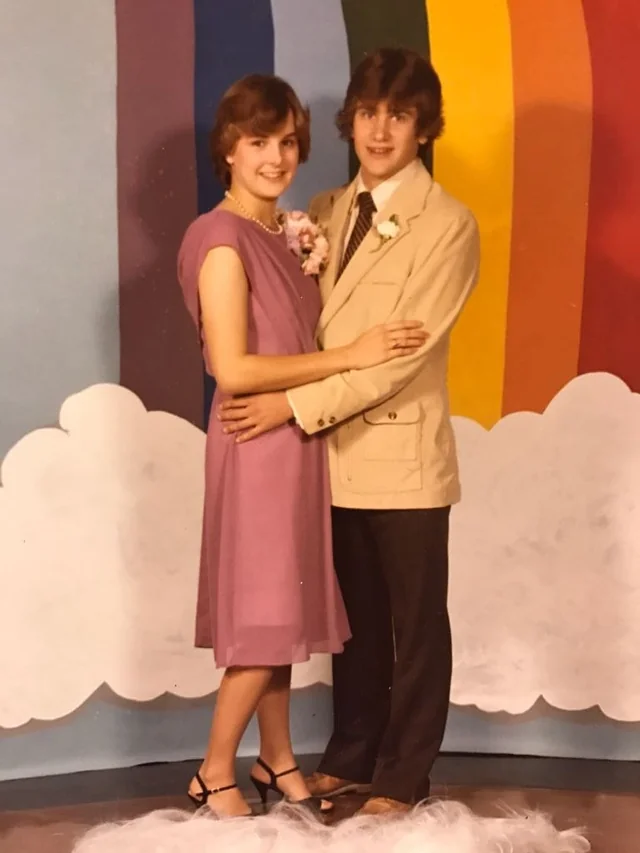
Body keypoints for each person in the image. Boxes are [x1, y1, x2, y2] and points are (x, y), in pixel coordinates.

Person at [217, 48, 480, 816]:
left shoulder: (448, 224)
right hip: (326, 460)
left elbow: (399, 360)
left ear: (423, 127)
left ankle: (404, 775)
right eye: (368, 112)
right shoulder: (322, 213)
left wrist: (289, 407)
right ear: (350, 121)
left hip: (401, 453)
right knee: (352, 622)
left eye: (399, 115)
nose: (380, 129)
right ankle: (351, 753)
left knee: (415, 622)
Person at [176, 72, 428, 819]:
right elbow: (233, 367)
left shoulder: (281, 233)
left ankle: (277, 757)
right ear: (228, 147)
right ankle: (213, 768)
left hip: (293, 437)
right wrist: (351, 354)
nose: (276, 157)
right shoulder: (220, 237)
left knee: (282, 611)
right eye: (259, 141)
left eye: (288, 142)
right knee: (263, 613)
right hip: (258, 440)